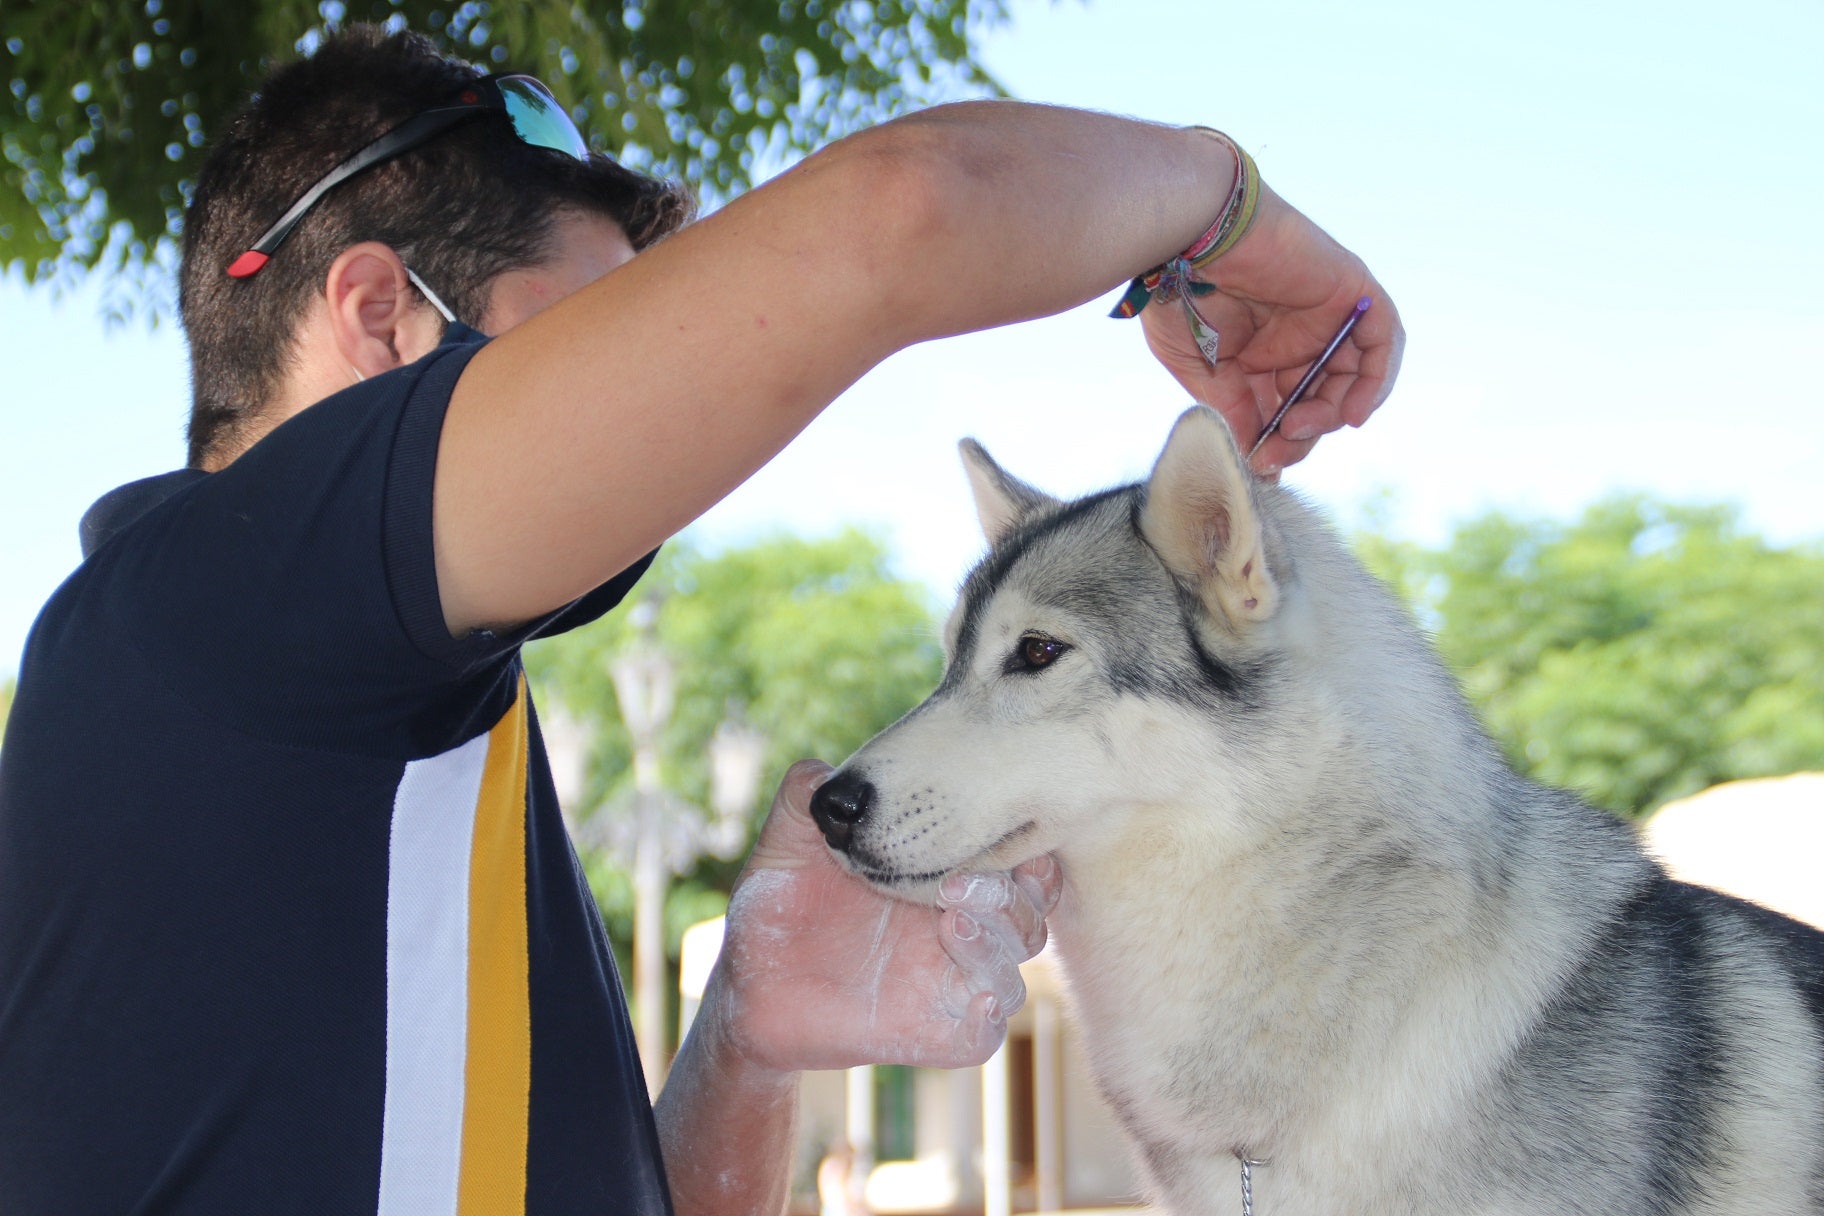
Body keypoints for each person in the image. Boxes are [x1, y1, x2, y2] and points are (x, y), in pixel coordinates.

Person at [0, 24, 1402, 1216]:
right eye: (590, 349)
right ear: (380, 317)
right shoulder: (235, 592)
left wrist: (746, 1037)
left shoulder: (392, 738)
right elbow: (909, 211)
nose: (654, 464)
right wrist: (1228, 214)